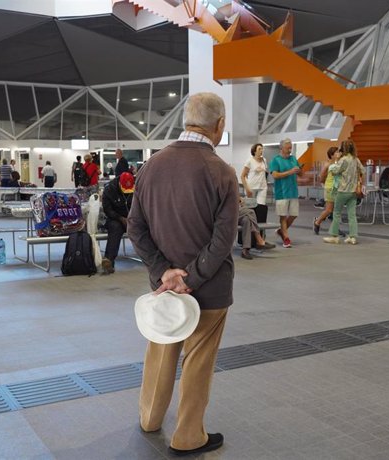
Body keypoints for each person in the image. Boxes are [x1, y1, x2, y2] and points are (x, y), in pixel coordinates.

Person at [127, 92, 237, 456]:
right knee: (198, 361)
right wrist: (190, 277)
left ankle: (149, 418)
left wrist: (164, 273)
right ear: (218, 125)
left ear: (186, 120)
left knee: (160, 353)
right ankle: (189, 436)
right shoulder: (221, 172)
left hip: (163, 290)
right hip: (208, 291)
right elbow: (223, 241)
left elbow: (136, 228)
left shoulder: (151, 166)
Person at [324, 140, 365, 245]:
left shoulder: (343, 160)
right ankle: (353, 237)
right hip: (353, 191)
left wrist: (337, 160)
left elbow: (334, 171)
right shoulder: (356, 160)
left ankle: (334, 236)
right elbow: (363, 171)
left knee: (337, 213)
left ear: (343, 149)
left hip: (342, 190)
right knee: (352, 214)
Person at [269, 138, 302, 248]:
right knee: (283, 216)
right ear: (281, 148)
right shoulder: (275, 160)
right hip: (281, 192)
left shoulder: (293, 159)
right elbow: (275, 175)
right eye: (288, 148)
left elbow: (300, 174)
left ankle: (281, 231)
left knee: (294, 215)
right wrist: (290, 172)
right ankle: (286, 238)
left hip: (293, 191)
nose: (290, 150)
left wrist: (299, 171)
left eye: (291, 148)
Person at [100, 172, 134, 274]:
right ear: (120, 183)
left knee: (151, 226)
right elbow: (108, 210)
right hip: (115, 218)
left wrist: (134, 218)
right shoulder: (109, 189)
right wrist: (121, 218)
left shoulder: (137, 187)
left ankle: (159, 260)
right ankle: (109, 261)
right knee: (115, 228)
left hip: (133, 218)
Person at [314, 147, 341, 235]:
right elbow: (321, 177)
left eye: (338, 152)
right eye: (336, 152)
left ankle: (335, 228)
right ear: (332, 155)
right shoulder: (327, 164)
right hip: (330, 188)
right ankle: (317, 222)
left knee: (336, 210)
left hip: (338, 189)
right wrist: (325, 185)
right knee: (329, 210)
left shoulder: (338, 164)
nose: (339, 153)